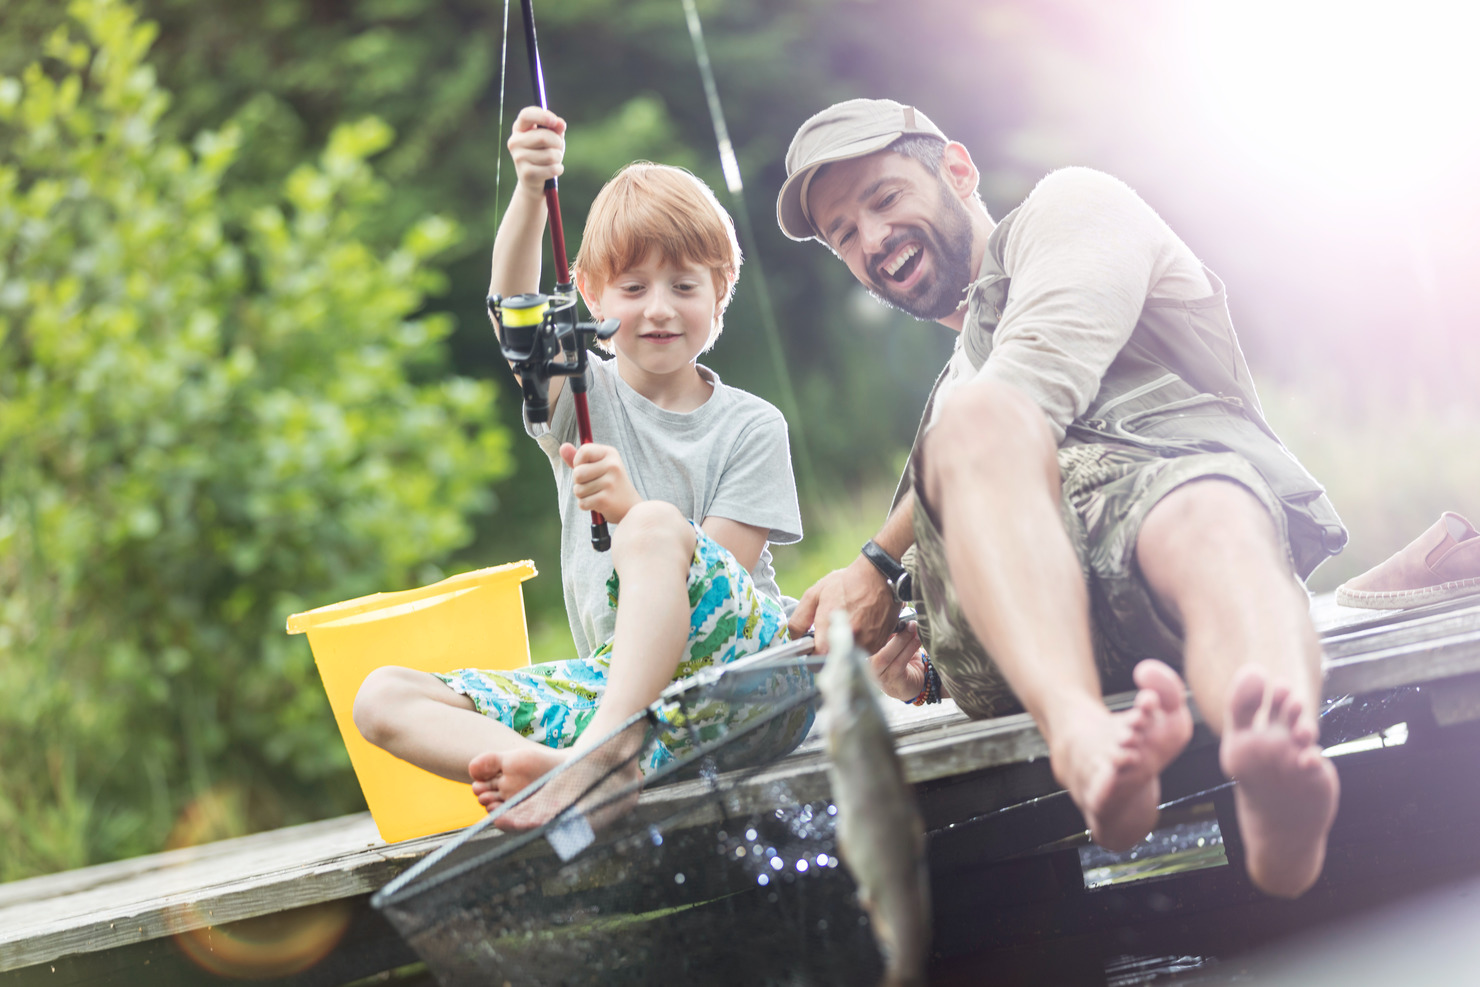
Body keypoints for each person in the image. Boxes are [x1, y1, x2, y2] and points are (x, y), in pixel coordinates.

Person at [776, 98, 1348, 898]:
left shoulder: (1072, 209)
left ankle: (1274, 755)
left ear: (958, 170)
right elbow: (975, 474)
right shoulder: (949, 393)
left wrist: (877, 556)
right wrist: (921, 661)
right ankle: (1085, 744)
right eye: (844, 234)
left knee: (1207, 512)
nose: (871, 239)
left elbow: (1035, 379)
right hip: (1024, 643)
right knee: (973, 424)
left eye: (884, 198)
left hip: (1168, 530)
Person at [353, 106, 810, 829]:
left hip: (746, 690)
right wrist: (532, 189)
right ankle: (566, 776)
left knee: (655, 527)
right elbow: (515, 312)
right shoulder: (576, 391)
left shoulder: (752, 425)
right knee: (381, 696)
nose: (659, 308)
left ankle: (598, 758)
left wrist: (633, 511)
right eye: (632, 288)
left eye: (684, 286)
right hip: (623, 700)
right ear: (591, 293)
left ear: (720, 293)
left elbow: (720, 573)